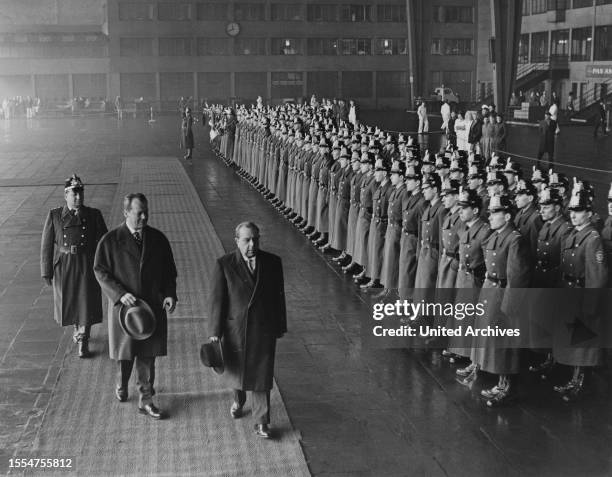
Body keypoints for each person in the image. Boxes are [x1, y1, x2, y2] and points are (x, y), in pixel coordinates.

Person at [94, 193, 178, 420]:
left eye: (146, 212)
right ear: (126, 213)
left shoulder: (158, 239)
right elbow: (100, 271)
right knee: (126, 355)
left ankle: (146, 399)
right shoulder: (110, 241)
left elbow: (169, 271)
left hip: (151, 308)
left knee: (147, 356)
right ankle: (121, 383)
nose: (144, 216)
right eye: (139, 212)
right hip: (126, 311)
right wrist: (120, 294)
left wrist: (170, 294)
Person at [209, 222, 287, 439]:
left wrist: (280, 324)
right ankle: (239, 399)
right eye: (246, 240)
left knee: (262, 375)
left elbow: (279, 297)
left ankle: (262, 421)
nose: (252, 244)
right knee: (239, 372)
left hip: (263, 329)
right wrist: (215, 331)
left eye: (255, 239)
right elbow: (217, 301)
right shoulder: (224, 264)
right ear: (237, 241)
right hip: (236, 329)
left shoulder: (273, 263)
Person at [41, 174, 108, 358]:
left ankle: (83, 338)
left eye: (81, 193)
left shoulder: (94, 215)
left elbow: (104, 241)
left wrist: (106, 266)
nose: (79, 197)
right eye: (74, 193)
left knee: (85, 300)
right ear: (66, 195)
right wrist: (46, 270)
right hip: (65, 264)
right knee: (70, 301)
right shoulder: (55, 215)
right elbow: (46, 245)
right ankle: (78, 330)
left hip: (86, 262)